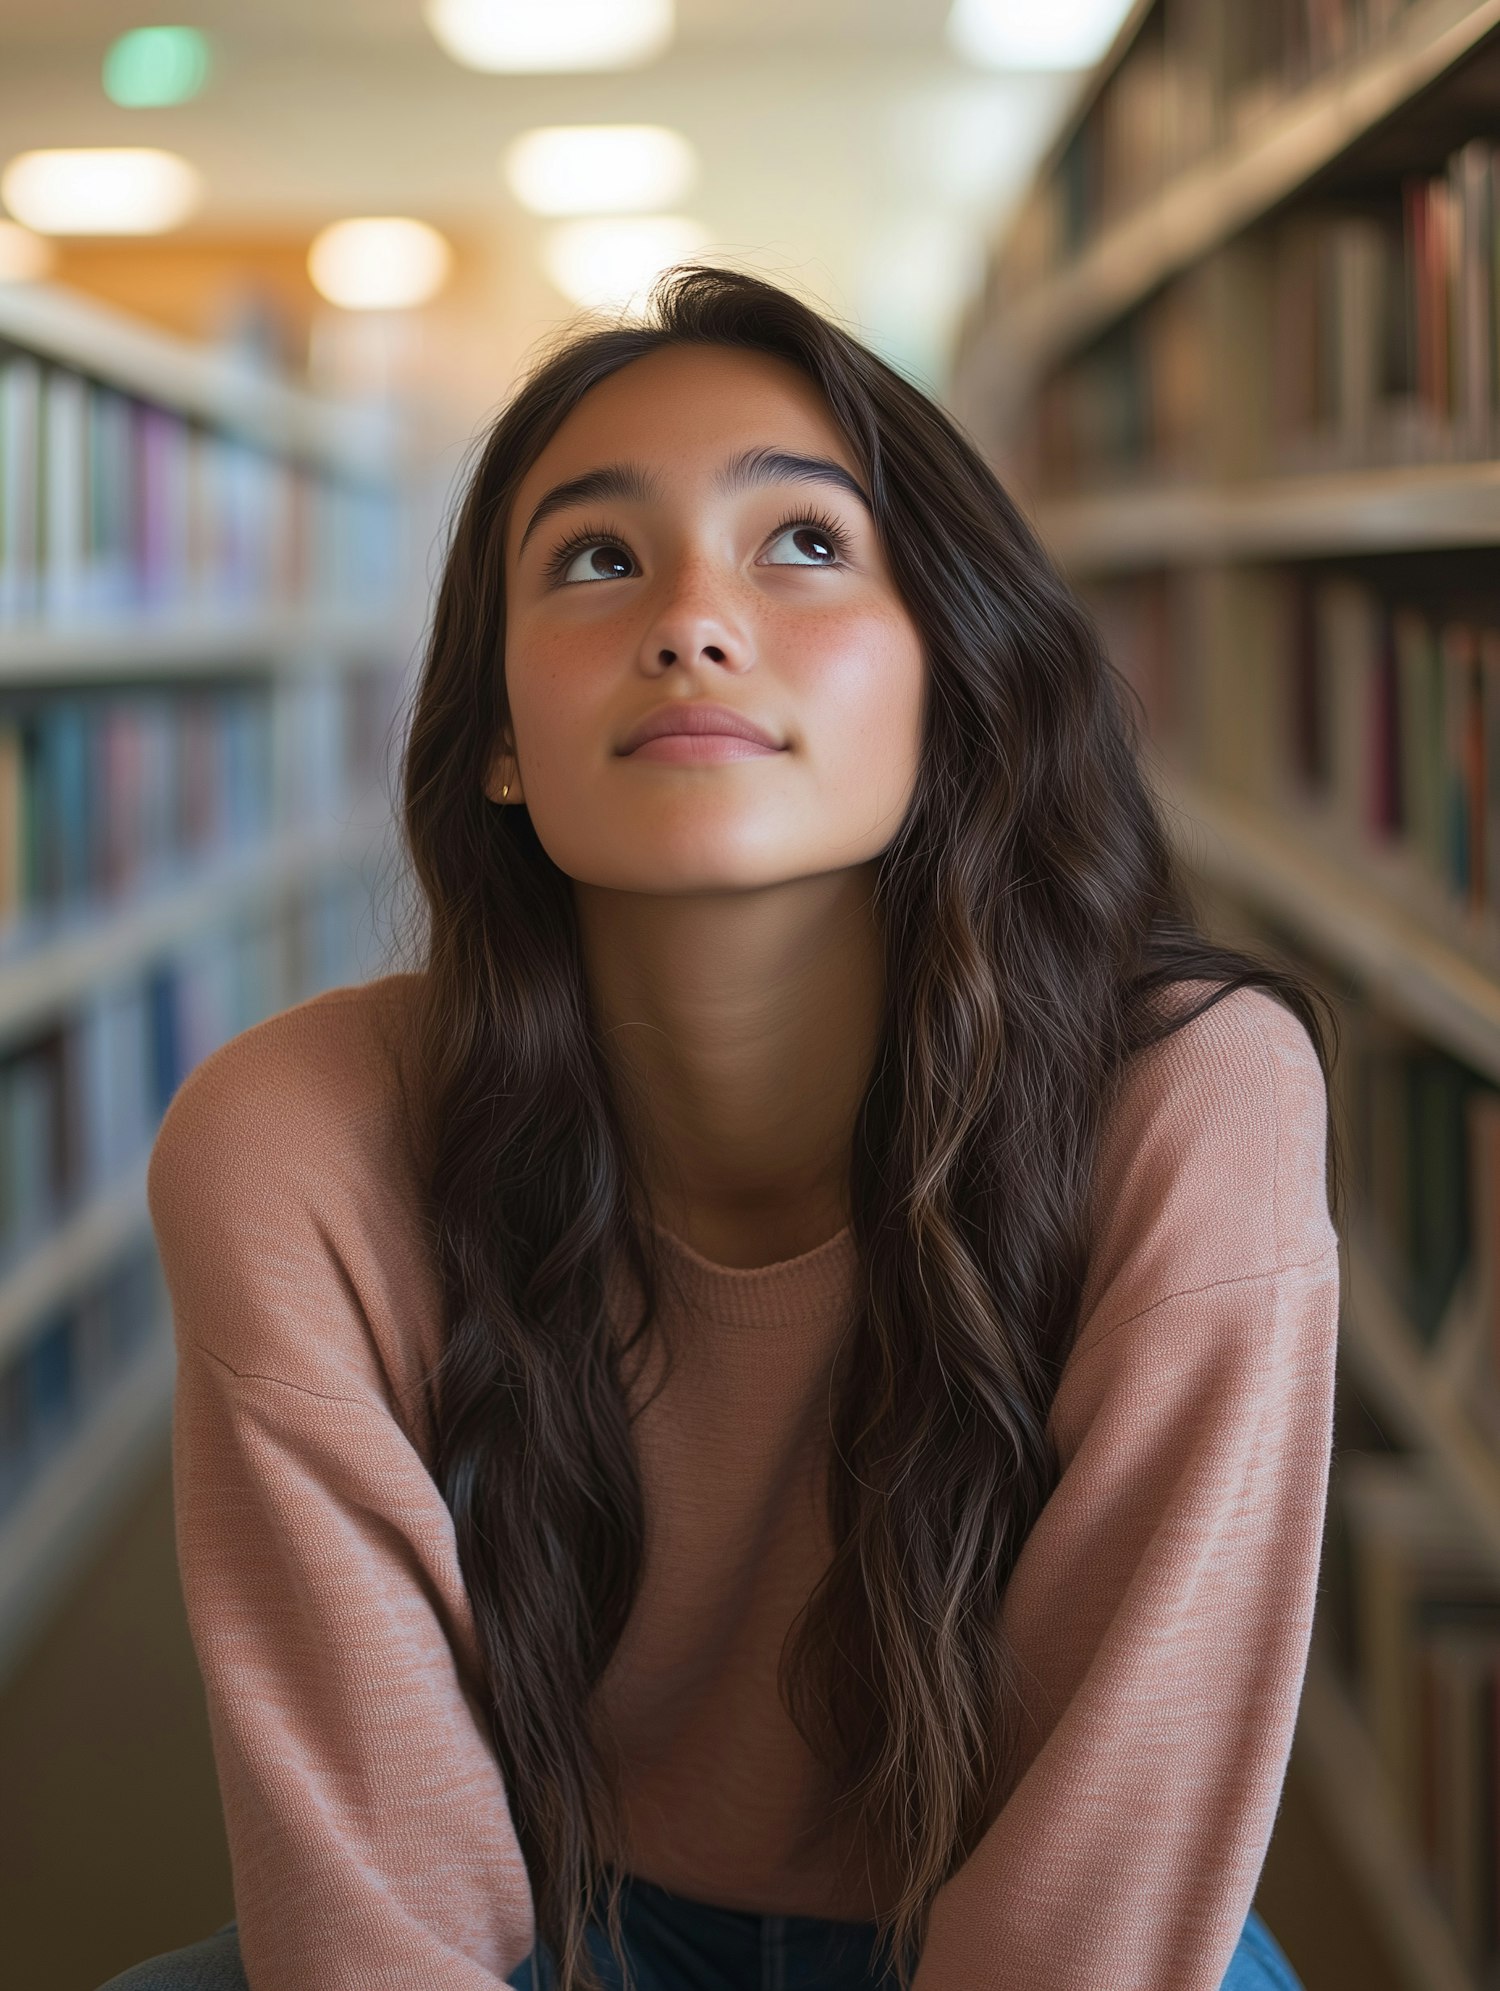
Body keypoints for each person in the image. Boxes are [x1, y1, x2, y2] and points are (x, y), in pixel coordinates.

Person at [101, 264, 1340, 1991]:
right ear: (502, 743)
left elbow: (1098, 1899)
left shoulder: (1197, 1096)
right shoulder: (289, 1140)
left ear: (949, 679)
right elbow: (381, 1901)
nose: (692, 620)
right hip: (554, 1919)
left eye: (806, 546)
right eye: (597, 560)